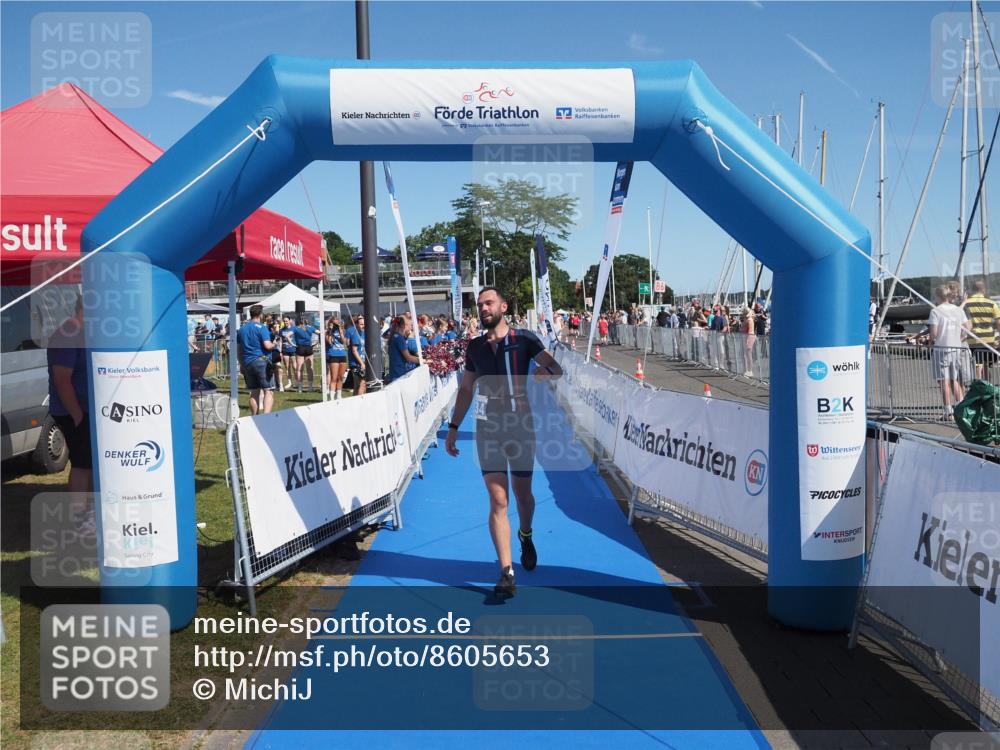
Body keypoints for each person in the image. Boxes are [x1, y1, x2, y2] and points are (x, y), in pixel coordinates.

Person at [445, 287, 563, 599]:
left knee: (523, 496)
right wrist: (454, 426)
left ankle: (526, 534)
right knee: (499, 501)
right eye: (480, 304)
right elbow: (467, 389)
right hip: (488, 430)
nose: (483, 308)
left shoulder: (524, 340)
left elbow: (557, 368)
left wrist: (543, 372)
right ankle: (506, 572)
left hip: (521, 428)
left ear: (503, 306)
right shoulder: (475, 347)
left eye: (489, 303)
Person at [47, 297, 94, 534]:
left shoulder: (82, 334)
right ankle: (79, 519)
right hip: (74, 411)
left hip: (85, 410)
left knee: (89, 463)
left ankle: (89, 514)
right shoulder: (67, 335)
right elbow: (62, 380)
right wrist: (77, 415)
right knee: (83, 464)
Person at [928, 285, 972, 417]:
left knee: (944, 381)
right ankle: (961, 408)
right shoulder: (958, 310)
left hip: (942, 349)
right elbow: (968, 327)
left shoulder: (936, 311)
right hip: (956, 348)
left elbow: (934, 334)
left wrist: (930, 340)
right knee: (954, 380)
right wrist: (960, 337)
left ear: (938, 296)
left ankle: (948, 411)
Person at [237, 304, 276, 415]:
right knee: (268, 391)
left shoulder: (242, 329)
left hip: (247, 362)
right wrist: (275, 344)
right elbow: (267, 345)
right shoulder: (262, 328)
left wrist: (241, 364)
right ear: (260, 314)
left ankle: (254, 416)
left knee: (254, 392)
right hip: (262, 361)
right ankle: (266, 417)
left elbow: (239, 349)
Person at [962, 279, 1000, 379]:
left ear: (972, 289)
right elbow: (998, 322)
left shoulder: (966, 303)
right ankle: (986, 385)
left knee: (978, 365)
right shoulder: (992, 303)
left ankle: (981, 387)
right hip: (989, 338)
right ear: (984, 289)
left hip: (974, 337)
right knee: (985, 363)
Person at [388, 316, 420, 382]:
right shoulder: (400, 338)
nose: (411, 327)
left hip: (394, 373)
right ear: (404, 325)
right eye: (410, 325)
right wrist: (423, 361)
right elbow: (408, 357)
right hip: (399, 374)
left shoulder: (394, 336)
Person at [292, 316, 318, 393]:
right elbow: (320, 333)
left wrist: (292, 344)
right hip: (309, 348)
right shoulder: (311, 328)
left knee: (299, 368)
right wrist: (315, 343)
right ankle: (310, 387)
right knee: (310, 368)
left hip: (300, 348)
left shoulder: (296, 328)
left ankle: (300, 387)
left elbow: (287, 336)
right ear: (306, 321)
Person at [326, 317, 348, 400]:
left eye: (337, 323)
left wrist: (340, 330)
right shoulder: (328, 332)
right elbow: (329, 342)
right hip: (334, 355)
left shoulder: (342, 331)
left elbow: (344, 341)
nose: (336, 324)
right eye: (334, 323)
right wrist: (331, 331)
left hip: (342, 354)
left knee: (341, 377)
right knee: (334, 377)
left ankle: (339, 395)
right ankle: (331, 397)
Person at [345, 314, 367, 396]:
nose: (363, 326)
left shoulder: (363, 334)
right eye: (361, 324)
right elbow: (354, 351)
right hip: (356, 363)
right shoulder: (355, 334)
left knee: (358, 385)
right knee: (362, 383)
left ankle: (354, 401)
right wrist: (362, 363)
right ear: (357, 324)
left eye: (364, 324)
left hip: (362, 361)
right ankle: (360, 403)